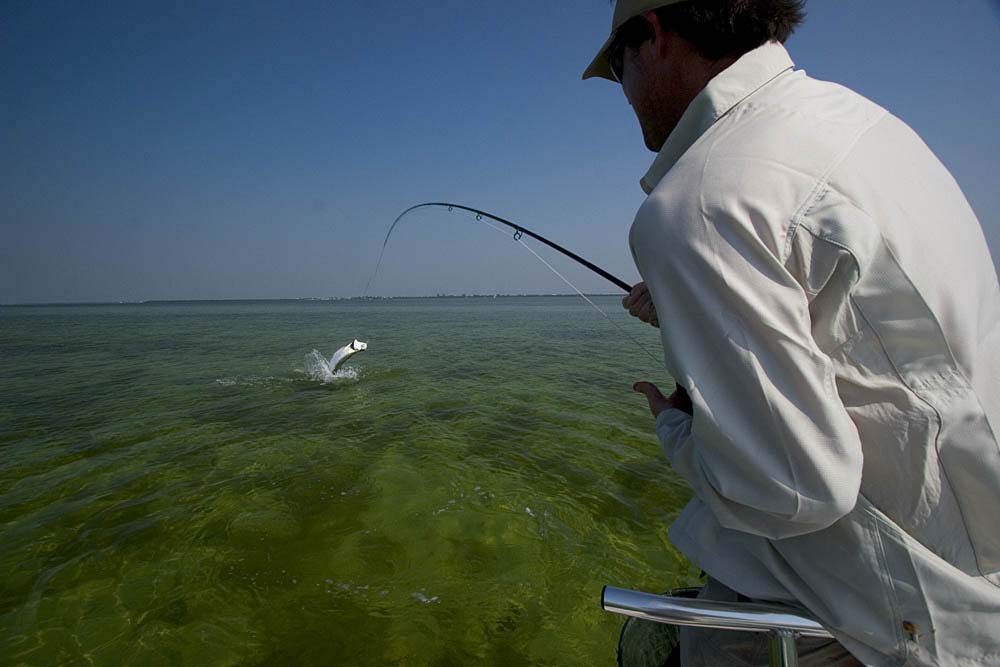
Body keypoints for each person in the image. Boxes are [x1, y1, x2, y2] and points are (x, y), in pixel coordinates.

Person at [583, 1, 1000, 665]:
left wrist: (676, 429)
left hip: (886, 618)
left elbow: (790, 493)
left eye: (616, 63)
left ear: (655, 36)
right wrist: (697, 310)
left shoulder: (694, 201)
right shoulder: (870, 128)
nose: (623, 91)